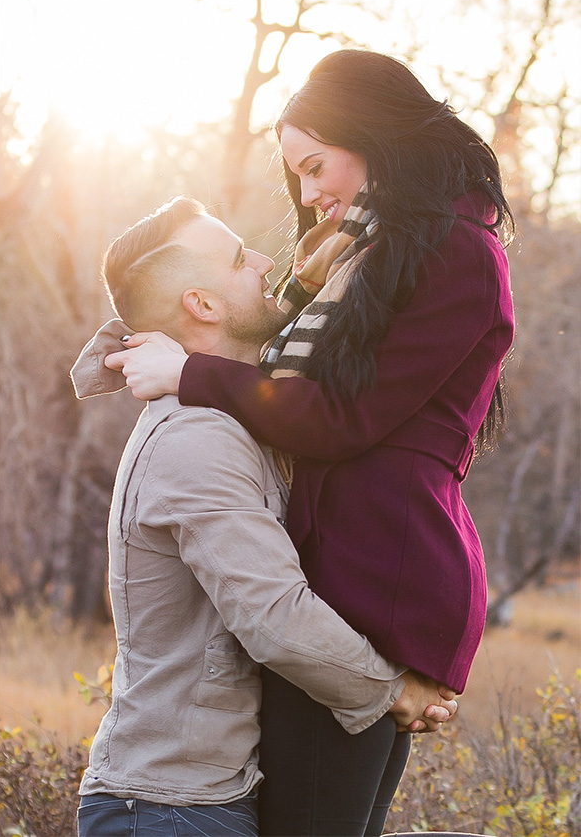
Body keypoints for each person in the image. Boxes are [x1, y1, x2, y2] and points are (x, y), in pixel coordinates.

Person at [105, 49, 515, 836]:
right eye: (296, 173)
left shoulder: (457, 252)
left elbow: (335, 419)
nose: (307, 193)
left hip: (371, 581)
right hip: (355, 571)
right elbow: (265, 357)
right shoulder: (377, 256)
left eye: (316, 164)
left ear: (375, 135)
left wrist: (190, 370)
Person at [71, 195, 456, 837]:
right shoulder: (197, 439)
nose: (264, 260)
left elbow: (281, 362)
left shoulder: (231, 415)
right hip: (171, 812)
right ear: (203, 305)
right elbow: (272, 614)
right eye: (238, 256)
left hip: (201, 799)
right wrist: (393, 691)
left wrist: (323, 273)